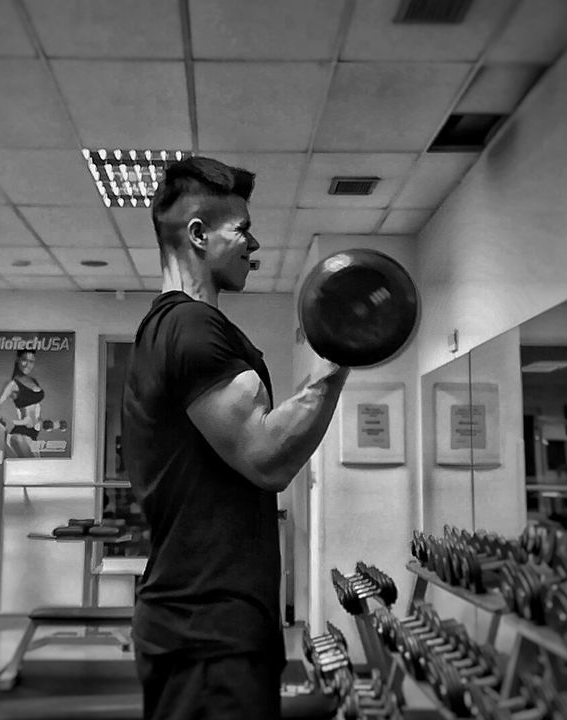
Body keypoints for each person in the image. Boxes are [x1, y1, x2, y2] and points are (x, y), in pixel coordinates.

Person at [121, 156, 350, 719]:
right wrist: (341, 358)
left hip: (202, 621)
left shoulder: (168, 329)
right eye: (241, 228)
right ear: (198, 234)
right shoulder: (192, 327)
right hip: (209, 628)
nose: (255, 243)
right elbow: (268, 458)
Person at [0, 349, 45, 458]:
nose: (28, 364)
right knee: (32, 468)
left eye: (31, 361)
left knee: (37, 468)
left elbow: (37, 410)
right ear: (18, 360)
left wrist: (40, 420)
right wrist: (6, 422)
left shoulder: (34, 381)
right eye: (24, 360)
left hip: (33, 435)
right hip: (20, 434)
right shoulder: (13, 384)